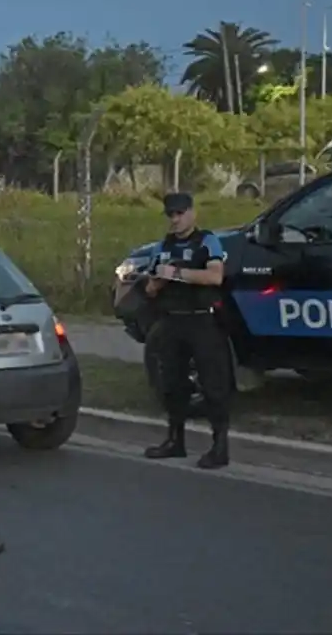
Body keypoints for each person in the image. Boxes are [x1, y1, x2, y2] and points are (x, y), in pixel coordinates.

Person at [142, 192, 233, 470]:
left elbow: (215, 276)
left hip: (201, 321)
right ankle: (175, 439)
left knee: (212, 383)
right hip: (172, 321)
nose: (175, 220)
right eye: (171, 215)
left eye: (180, 214)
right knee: (172, 383)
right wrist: (159, 279)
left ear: (192, 213)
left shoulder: (206, 241)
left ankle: (219, 446)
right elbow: (150, 287)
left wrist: (180, 274)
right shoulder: (164, 245)